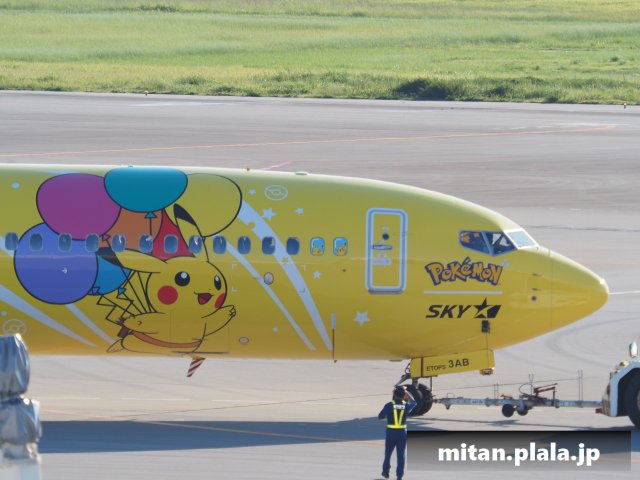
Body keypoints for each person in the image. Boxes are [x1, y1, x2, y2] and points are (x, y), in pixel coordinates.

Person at [378, 385, 416, 480]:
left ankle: (385, 472)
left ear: (394, 394)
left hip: (391, 433)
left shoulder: (389, 405)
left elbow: (380, 416)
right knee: (401, 456)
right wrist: (407, 393)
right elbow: (414, 402)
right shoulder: (406, 406)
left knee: (388, 454)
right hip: (402, 434)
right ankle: (399, 476)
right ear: (404, 395)